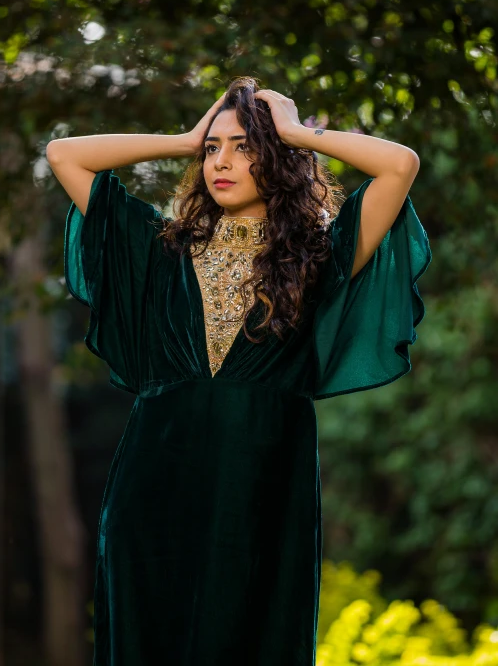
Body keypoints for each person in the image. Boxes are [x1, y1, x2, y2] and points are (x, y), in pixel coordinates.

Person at [47, 76, 432, 666]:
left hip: (264, 491)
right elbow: (64, 154)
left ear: (277, 160)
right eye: (213, 149)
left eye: (245, 147)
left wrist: (296, 132)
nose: (221, 161)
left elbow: (399, 165)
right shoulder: (159, 252)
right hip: (152, 495)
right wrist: (183, 139)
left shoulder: (320, 258)